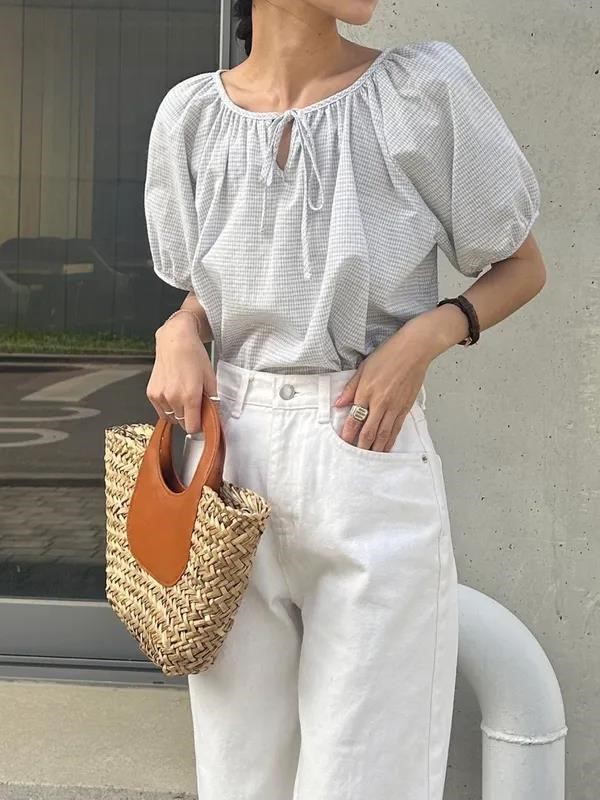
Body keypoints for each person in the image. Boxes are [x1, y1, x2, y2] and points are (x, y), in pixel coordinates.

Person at [144, 1, 546, 798]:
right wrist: (179, 329)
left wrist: (429, 334)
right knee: (237, 776)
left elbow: (522, 266)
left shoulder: (419, 91)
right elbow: (210, 287)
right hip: (227, 464)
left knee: (370, 776)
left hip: (364, 448)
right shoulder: (191, 116)